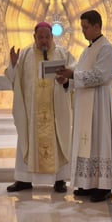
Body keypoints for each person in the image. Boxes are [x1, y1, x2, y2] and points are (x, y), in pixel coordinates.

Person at [5, 21, 76, 193]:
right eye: (40, 37)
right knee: (27, 138)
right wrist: (14, 65)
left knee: (58, 139)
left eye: (47, 37)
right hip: (32, 111)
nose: (44, 41)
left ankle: (59, 180)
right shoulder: (25, 55)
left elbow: (74, 75)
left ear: (52, 37)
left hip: (55, 110)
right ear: (34, 37)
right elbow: (14, 79)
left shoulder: (63, 54)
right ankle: (23, 179)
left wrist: (66, 81)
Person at [56, 10, 112, 202]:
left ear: (97, 26)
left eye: (85, 27)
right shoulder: (89, 49)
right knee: (88, 143)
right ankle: (88, 183)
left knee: (99, 141)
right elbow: (80, 71)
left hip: (99, 103)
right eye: (82, 27)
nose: (83, 31)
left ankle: (103, 187)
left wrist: (72, 75)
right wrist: (67, 78)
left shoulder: (106, 48)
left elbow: (101, 75)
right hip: (86, 103)